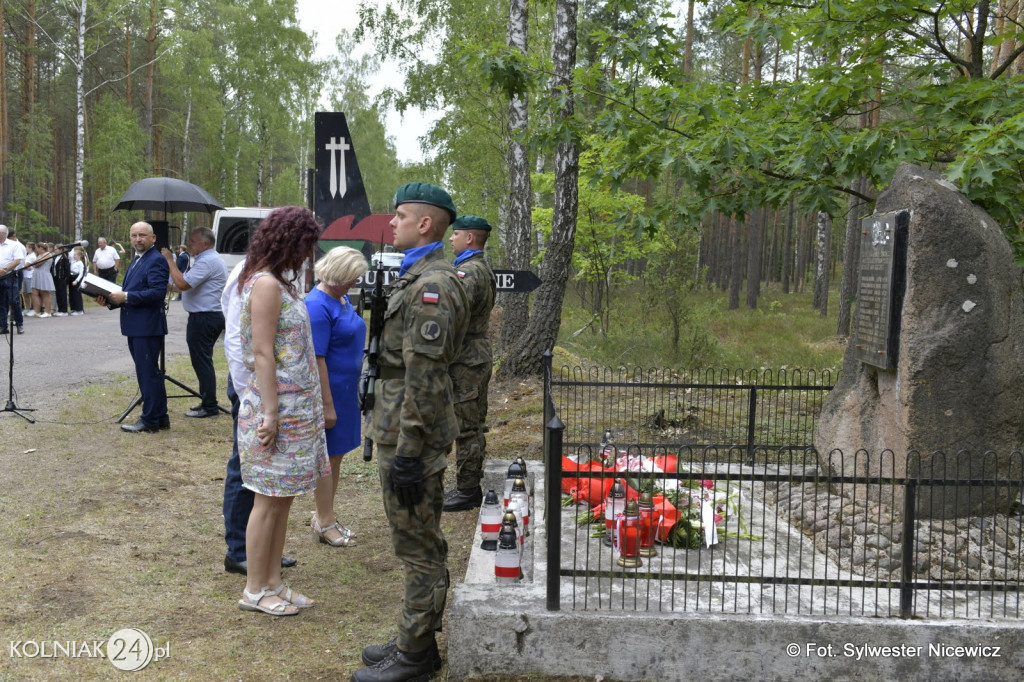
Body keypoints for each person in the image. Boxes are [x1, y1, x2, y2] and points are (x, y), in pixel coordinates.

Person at [352, 183, 469, 682]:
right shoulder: (417, 276)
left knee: (418, 546)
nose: (391, 222)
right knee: (414, 541)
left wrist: (409, 449)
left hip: (410, 431)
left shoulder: (433, 284)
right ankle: (413, 637)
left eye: (400, 216)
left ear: (426, 223)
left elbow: (424, 373)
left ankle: (416, 654)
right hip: (400, 423)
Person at [235, 206, 326, 617]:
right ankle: (254, 589)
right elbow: (262, 352)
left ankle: (273, 580)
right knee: (266, 501)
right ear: (290, 241)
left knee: (283, 499)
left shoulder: (281, 283)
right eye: (306, 245)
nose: (308, 254)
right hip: (275, 409)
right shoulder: (266, 284)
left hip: (295, 408)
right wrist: (271, 414)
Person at [221, 256, 298, 576]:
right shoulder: (251, 275)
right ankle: (239, 550)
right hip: (251, 389)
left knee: (265, 472)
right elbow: (239, 340)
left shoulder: (278, 273)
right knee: (245, 467)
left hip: (265, 389)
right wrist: (247, 395)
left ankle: (261, 546)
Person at [305, 246, 368, 548]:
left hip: (346, 389)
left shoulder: (340, 298)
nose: (354, 284)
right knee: (326, 460)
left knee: (337, 455)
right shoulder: (317, 305)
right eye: (351, 278)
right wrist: (327, 405)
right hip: (330, 392)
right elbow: (317, 359)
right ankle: (324, 520)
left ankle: (326, 515)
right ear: (336, 273)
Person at [442, 215, 497, 512]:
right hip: (473, 354)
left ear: (470, 239)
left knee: (466, 426)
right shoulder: (477, 267)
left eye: (456, 233)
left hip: (466, 358)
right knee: (471, 422)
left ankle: (467, 489)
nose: (451, 238)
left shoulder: (469, 272)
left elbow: (452, 315)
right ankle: (467, 484)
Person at [96, 222, 170, 433]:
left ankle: (149, 420)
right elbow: (130, 291)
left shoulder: (156, 260)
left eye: (142, 235)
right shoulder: (138, 259)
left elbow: (157, 293)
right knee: (150, 373)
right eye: (134, 235)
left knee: (147, 374)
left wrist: (126, 296)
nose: (138, 239)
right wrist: (110, 301)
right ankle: (160, 417)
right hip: (136, 325)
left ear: (153, 238)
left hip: (147, 326)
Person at [162, 227, 227, 418]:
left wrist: (170, 261)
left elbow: (183, 284)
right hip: (206, 316)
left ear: (205, 243)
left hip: (205, 317)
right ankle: (207, 401)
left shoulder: (207, 261)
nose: (190, 244)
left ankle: (210, 405)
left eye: (193, 241)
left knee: (202, 361)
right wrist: (170, 287)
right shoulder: (206, 259)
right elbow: (185, 286)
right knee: (201, 360)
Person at [0, 225, 25, 335]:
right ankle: (3, 326)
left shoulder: (14, 245)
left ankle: (19, 324)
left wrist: (5, 269)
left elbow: (18, 260)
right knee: (1, 302)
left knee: (14, 301)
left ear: (3, 234)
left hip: (10, 276)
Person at [31, 243, 54, 318]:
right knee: (35, 293)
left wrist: (34, 263)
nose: (36, 250)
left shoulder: (47, 254)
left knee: (45, 293)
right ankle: (37, 311)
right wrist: (34, 263)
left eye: (37, 248)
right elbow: (33, 264)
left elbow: (37, 264)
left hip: (44, 274)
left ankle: (48, 312)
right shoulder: (40, 255)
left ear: (41, 248)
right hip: (37, 274)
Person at [68, 246, 87, 315]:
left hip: (77, 278)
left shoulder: (80, 263)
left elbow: (81, 273)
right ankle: (74, 308)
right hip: (72, 277)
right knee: (72, 294)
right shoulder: (74, 262)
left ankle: (79, 310)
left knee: (77, 295)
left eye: (75, 255)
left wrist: (77, 280)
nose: (74, 256)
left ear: (79, 256)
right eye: (74, 255)